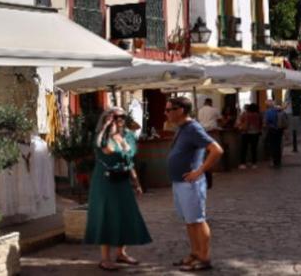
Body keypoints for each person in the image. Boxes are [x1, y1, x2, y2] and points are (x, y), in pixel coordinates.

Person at [83, 106, 152, 270]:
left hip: (122, 180)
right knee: (107, 215)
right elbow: (107, 151)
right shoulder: (103, 137)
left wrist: (136, 182)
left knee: (125, 214)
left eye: (122, 116)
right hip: (105, 182)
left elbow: (129, 161)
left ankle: (121, 253)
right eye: (116, 116)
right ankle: (105, 259)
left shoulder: (128, 135)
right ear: (108, 118)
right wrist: (108, 128)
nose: (120, 119)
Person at [165, 96, 223, 271]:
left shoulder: (193, 128)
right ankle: (195, 253)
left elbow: (216, 150)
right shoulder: (182, 128)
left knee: (198, 220)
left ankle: (204, 258)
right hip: (180, 182)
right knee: (190, 221)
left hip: (191, 184)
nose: (165, 113)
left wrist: (199, 171)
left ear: (180, 110)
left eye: (169, 110)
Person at [262, 99, 288, 168]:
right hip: (279, 130)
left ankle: (274, 161)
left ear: (267, 105)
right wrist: (286, 134)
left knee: (272, 146)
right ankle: (278, 161)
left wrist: (265, 126)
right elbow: (285, 123)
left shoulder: (268, 112)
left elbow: (265, 123)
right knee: (278, 146)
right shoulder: (280, 111)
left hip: (272, 130)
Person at [238, 103, 262, 169]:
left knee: (244, 149)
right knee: (254, 149)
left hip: (245, 133)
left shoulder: (245, 114)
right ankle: (254, 163)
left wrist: (241, 127)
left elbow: (241, 122)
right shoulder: (258, 115)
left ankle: (243, 163)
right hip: (255, 133)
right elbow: (260, 124)